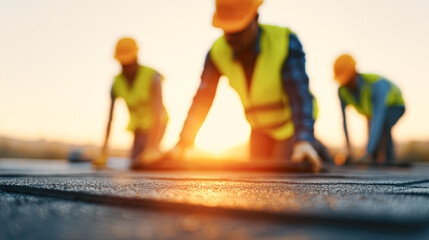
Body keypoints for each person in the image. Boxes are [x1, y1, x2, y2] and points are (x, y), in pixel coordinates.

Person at [169, 0, 331, 172]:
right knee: (258, 177)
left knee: (284, 174)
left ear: (255, 18)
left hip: (290, 125)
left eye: (238, 30)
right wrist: (184, 142)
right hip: (259, 128)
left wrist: (303, 140)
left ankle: (315, 147)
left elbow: (299, 95)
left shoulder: (283, 42)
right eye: (227, 31)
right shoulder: (217, 52)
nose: (232, 37)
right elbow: (202, 98)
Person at [93, 38, 168, 169]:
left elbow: (158, 114)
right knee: (135, 164)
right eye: (124, 64)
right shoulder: (117, 83)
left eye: (130, 64)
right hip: (138, 128)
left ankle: (169, 159)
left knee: (146, 163)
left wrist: (151, 148)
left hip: (157, 125)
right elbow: (110, 120)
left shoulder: (152, 77)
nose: (127, 68)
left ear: (136, 58)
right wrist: (103, 153)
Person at [334, 54, 405, 165]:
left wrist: (368, 152)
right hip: (372, 114)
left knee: (384, 126)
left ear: (354, 73)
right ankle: (373, 161)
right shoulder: (342, 91)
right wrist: (348, 150)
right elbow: (344, 122)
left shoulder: (375, 85)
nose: (347, 85)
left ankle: (389, 161)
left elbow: (378, 118)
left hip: (395, 106)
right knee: (373, 132)